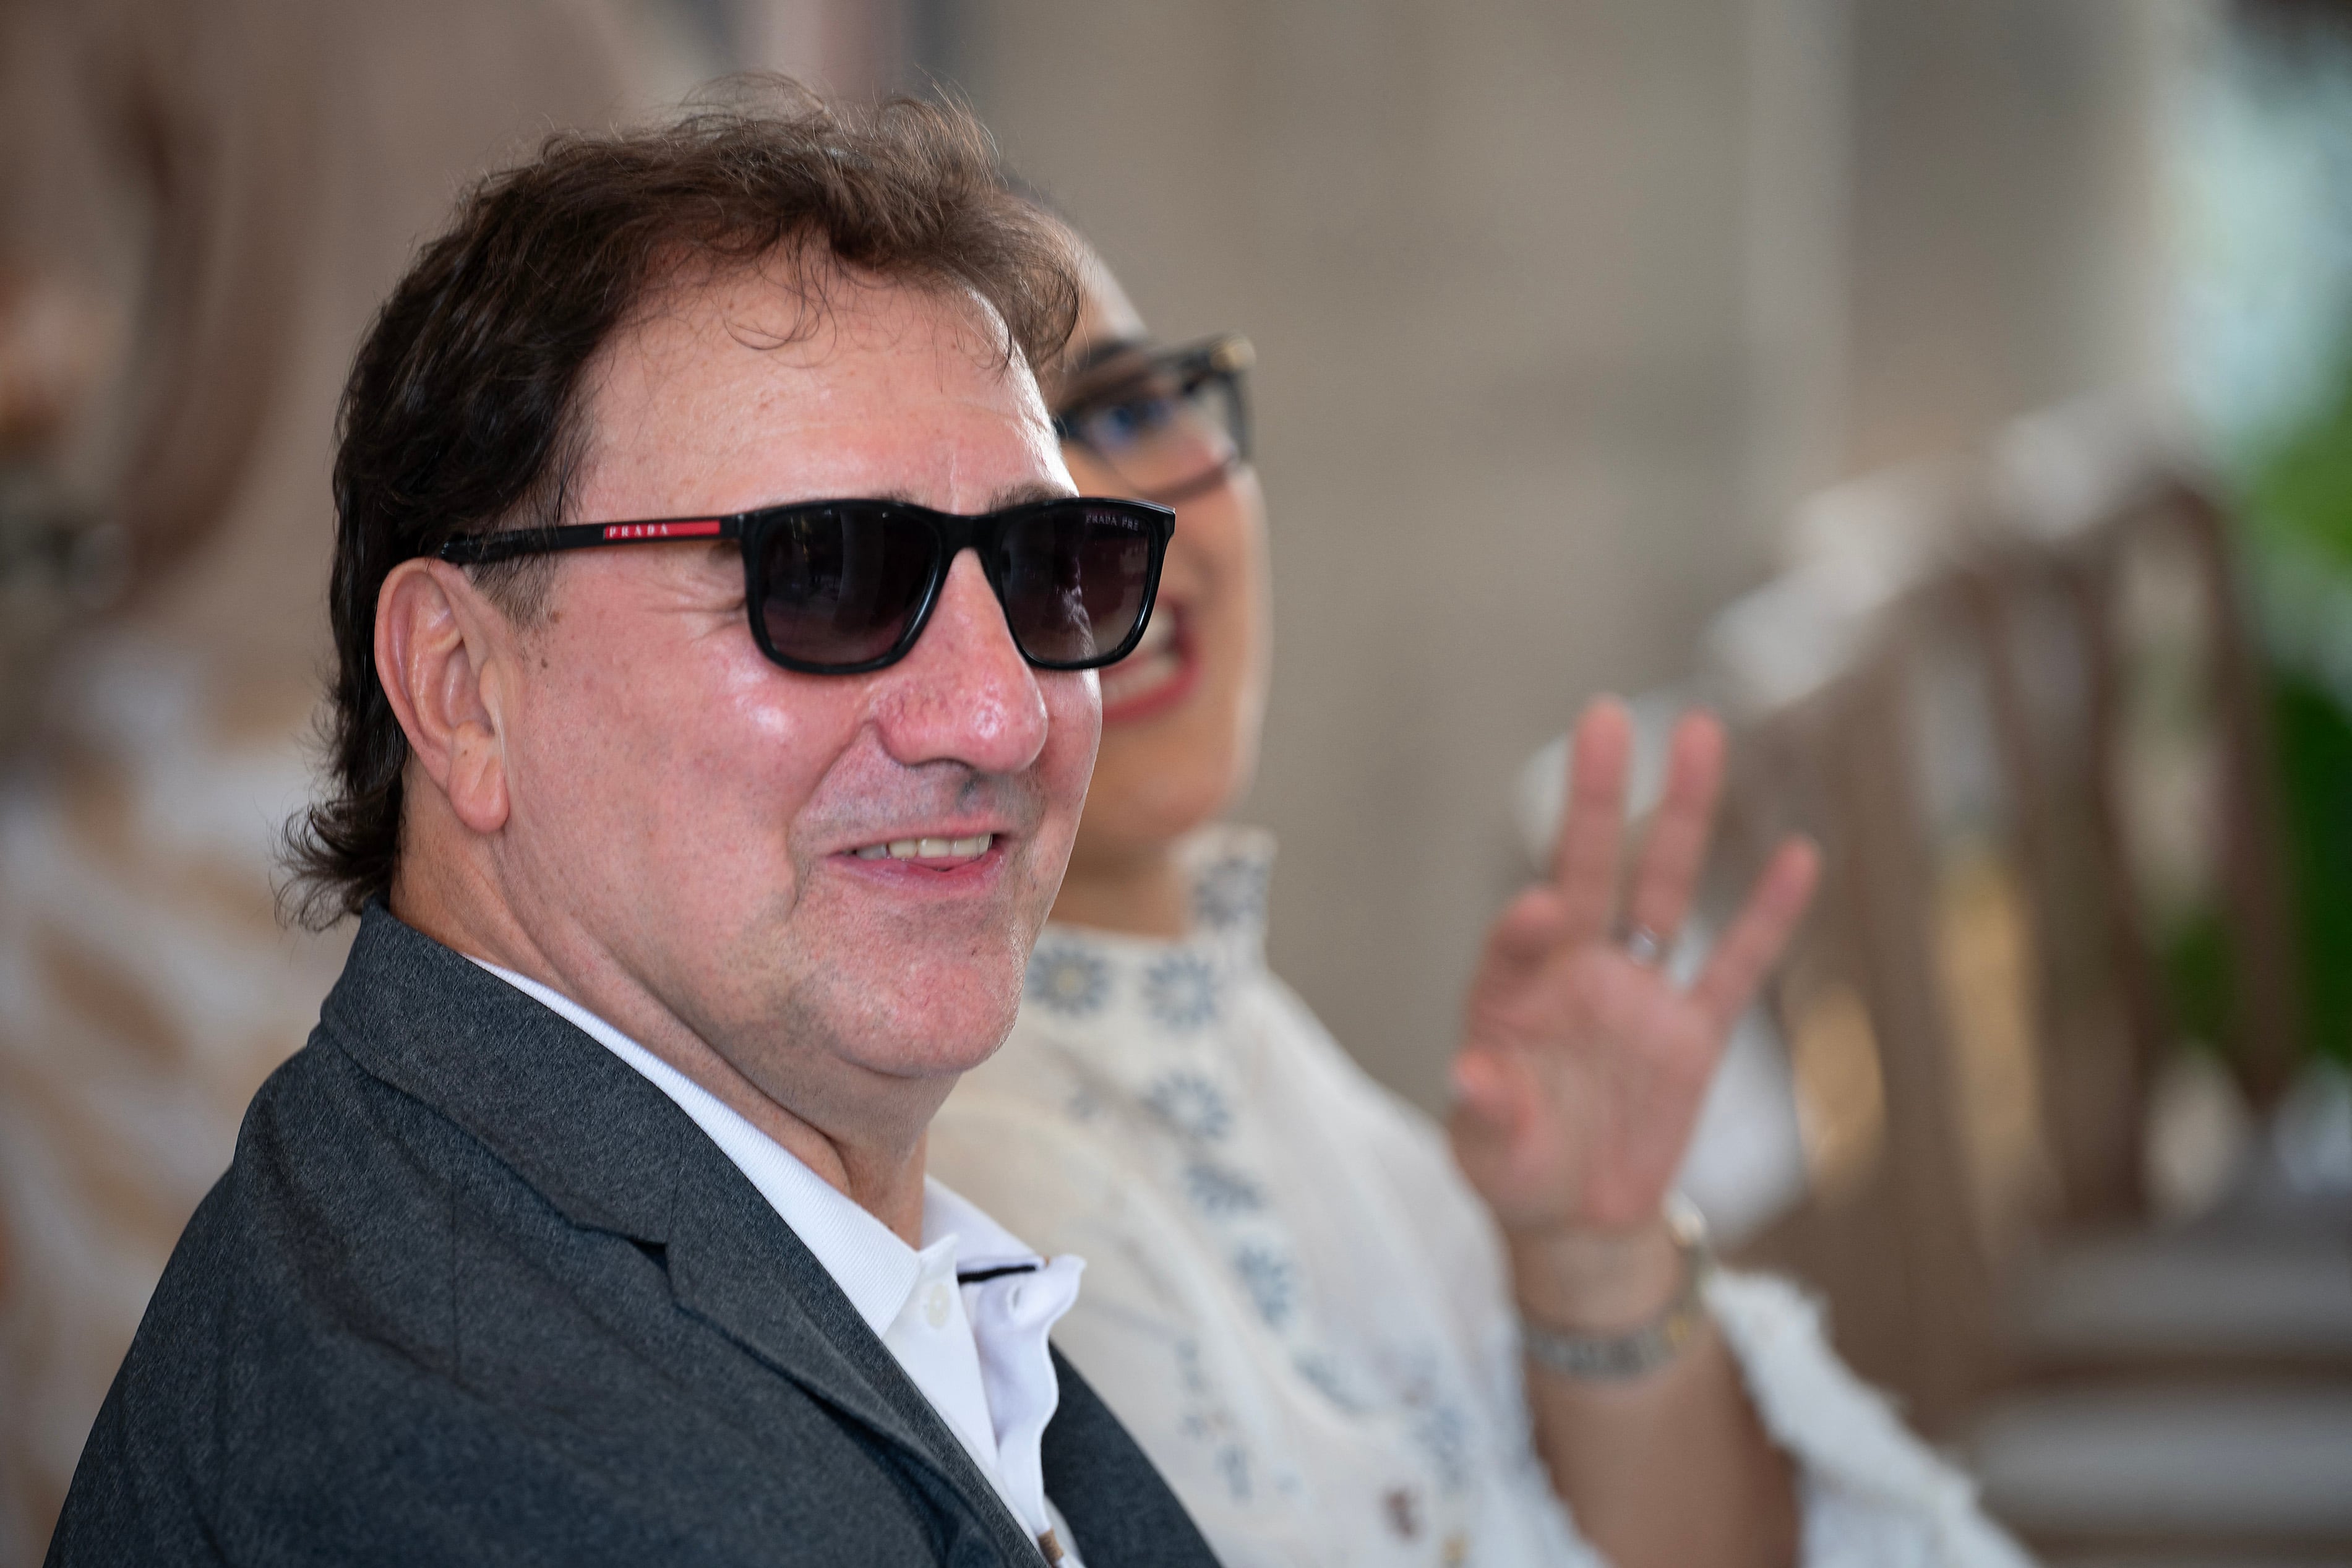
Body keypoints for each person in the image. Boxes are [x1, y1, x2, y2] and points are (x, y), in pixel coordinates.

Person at [46, 92, 1218, 1568]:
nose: (998, 715)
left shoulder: (560, 1231)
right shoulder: (497, 1445)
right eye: (829, 572)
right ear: (462, 690)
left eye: (1055, 566)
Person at [928, 241, 2036, 1568]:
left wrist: (1594, 1256)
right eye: (1010, 481)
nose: (1114, 520)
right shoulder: (974, 1179)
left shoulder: (1251, 1037)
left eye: (1122, 407)